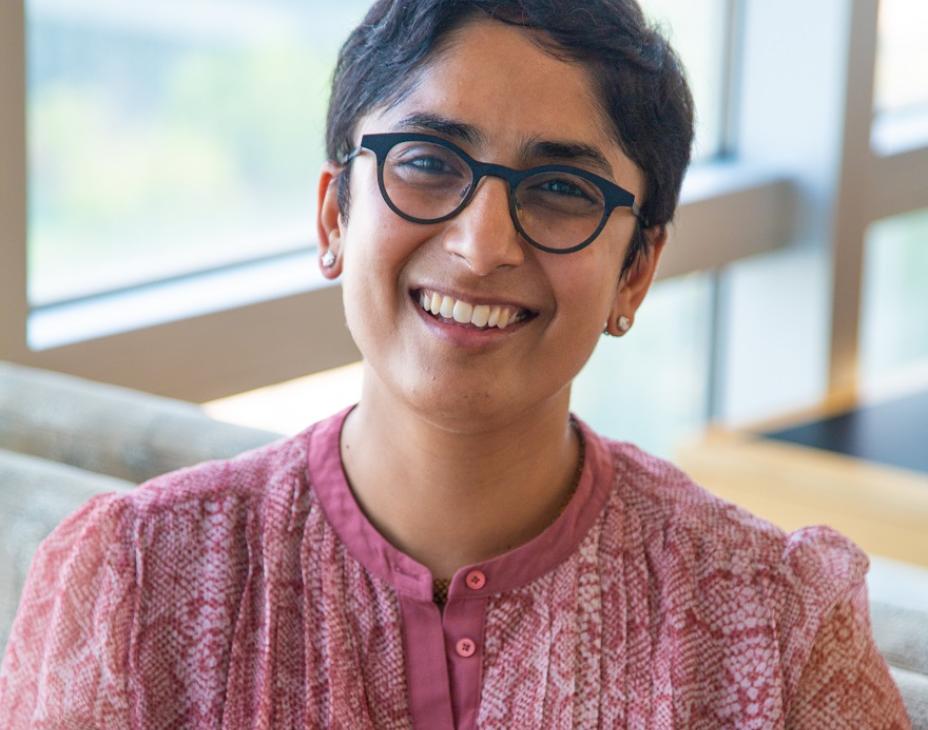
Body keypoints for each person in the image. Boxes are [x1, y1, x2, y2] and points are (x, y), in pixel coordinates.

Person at [0, 0, 911, 728]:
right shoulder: (134, 580)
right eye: (429, 161)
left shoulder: (776, 628)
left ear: (636, 270)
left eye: (561, 189)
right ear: (333, 219)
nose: (481, 248)